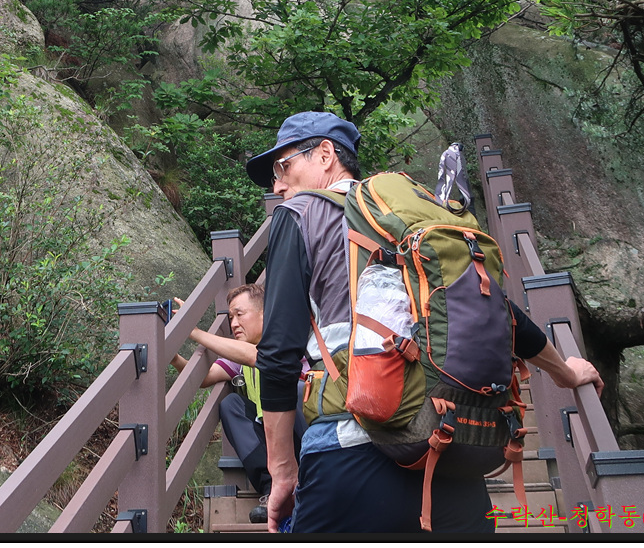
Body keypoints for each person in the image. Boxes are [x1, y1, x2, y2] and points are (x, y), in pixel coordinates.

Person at [249, 111, 604, 534]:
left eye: (282, 166)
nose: (277, 186)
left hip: (350, 452)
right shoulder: (411, 220)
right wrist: (566, 373)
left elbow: (278, 353)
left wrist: (282, 471)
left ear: (325, 154)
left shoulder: (300, 214)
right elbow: (500, 312)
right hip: (447, 447)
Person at [169, 284, 305, 501]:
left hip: (303, 441)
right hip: (272, 440)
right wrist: (174, 358)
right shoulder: (241, 355)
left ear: (265, 313)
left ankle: (307, 478)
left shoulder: (286, 340)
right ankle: (271, 489)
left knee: (297, 390)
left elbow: (256, 356)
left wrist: (193, 331)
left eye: (239, 315)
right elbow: (205, 378)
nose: (233, 324)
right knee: (231, 404)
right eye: (230, 317)